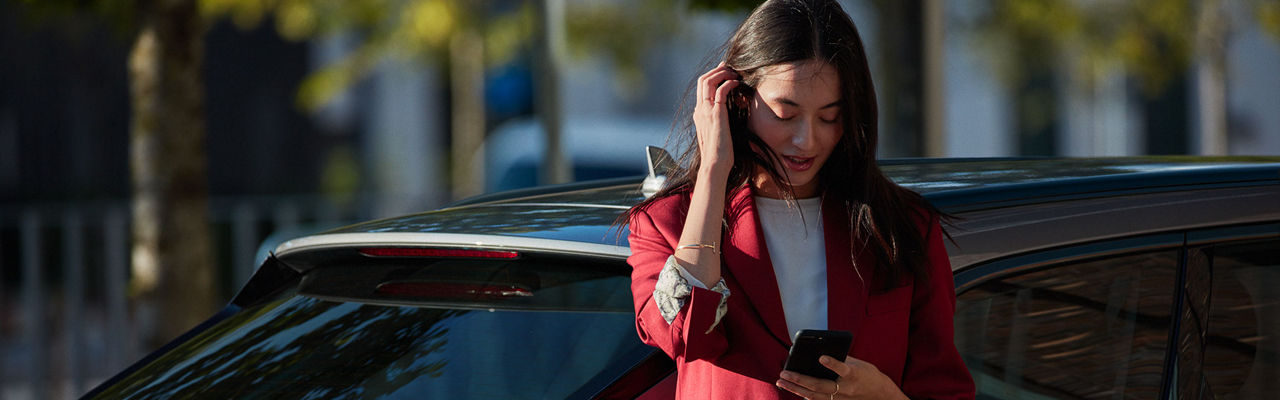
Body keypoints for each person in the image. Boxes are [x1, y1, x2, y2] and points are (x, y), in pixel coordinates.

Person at [623, 0, 975, 398]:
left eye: (829, 117)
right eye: (785, 114)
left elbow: (946, 388)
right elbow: (683, 335)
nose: (807, 140)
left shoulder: (902, 226)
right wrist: (713, 170)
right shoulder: (668, 222)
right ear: (737, 100)